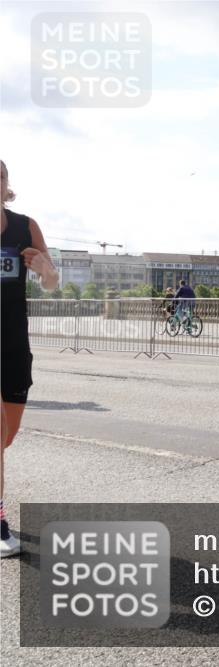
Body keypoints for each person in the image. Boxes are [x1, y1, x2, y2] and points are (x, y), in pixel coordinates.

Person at [1, 159, 58, 558]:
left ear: (7, 186)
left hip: (14, 343)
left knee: (6, 437)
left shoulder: (25, 226)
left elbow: (52, 281)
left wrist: (43, 269)